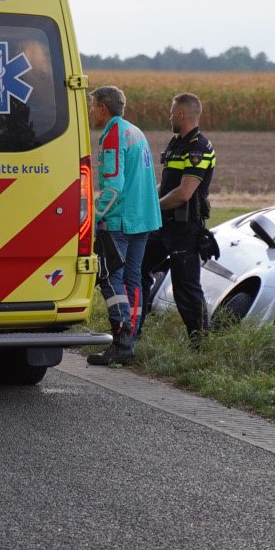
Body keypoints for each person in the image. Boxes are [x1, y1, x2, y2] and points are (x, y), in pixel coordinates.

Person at [85, 85, 161, 366]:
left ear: (104, 108)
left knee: (110, 278)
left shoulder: (114, 135)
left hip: (120, 220)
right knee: (133, 279)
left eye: (93, 106)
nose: (91, 111)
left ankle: (121, 336)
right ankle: (130, 340)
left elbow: (113, 187)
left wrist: (92, 216)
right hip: (143, 219)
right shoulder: (135, 131)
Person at [155, 91, 216, 345]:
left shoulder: (198, 148)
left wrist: (152, 208)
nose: (169, 116)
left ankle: (201, 342)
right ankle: (130, 330)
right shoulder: (176, 143)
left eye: (171, 112)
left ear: (181, 114)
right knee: (137, 269)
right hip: (162, 225)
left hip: (185, 228)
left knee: (186, 288)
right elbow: (166, 184)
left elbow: (183, 193)